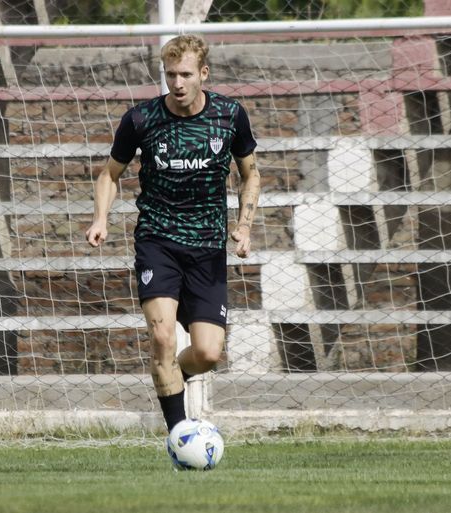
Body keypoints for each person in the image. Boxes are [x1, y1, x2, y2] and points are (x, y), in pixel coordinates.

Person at [86, 34, 260, 432]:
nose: (177, 84)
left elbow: (251, 174)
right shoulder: (141, 119)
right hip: (157, 241)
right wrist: (101, 218)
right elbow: (109, 174)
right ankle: (179, 434)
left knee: (208, 352)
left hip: (207, 247)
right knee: (163, 338)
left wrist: (245, 226)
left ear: (204, 73)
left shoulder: (230, 115)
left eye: (185, 74)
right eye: (170, 75)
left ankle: (169, 379)